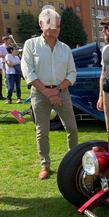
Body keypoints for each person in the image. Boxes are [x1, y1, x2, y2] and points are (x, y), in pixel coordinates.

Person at [21, 6, 78, 180]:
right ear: (41, 24)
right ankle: (45, 165)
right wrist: (47, 92)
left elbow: (72, 74)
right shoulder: (31, 45)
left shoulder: (65, 48)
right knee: (42, 131)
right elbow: (28, 71)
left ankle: (73, 163)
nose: (56, 28)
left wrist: (58, 90)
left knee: (72, 129)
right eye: (52, 25)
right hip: (39, 93)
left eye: (58, 25)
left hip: (62, 92)